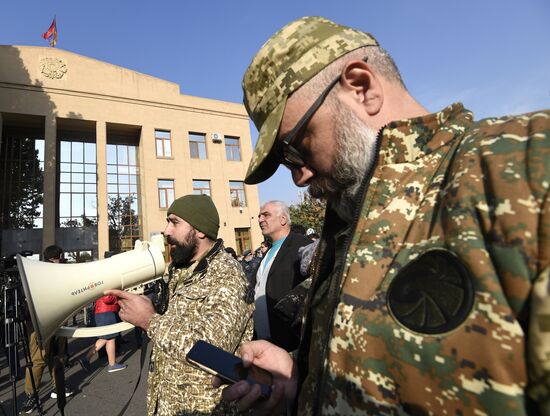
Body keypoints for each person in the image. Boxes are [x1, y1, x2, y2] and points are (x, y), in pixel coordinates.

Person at [215, 16, 550, 415]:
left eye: (295, 147)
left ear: (361, 88)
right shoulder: (346, 221)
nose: (299, 176)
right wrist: (302, 375)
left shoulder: (525, 163)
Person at [105, 194, 254, 415]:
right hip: (167, 404)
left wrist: (150, 321)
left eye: (174, 222)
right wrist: (148, 308)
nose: (166, 231)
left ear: (200, 229)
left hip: (203, 407)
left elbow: (213, 352)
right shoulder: (180, 269)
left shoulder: (228, 274)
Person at [21, 245, 74, 414]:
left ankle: (56, 387)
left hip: (55, 319)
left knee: (55, 356)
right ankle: (31, 394)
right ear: (58, 256)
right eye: (61, 258)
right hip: (39, 321)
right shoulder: (39, 274)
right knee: (39, 359)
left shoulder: (45, 271)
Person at [254, 201, 312, 351]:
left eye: (266, 215)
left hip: (290, 345)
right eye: (259, 216)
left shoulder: (302, 246)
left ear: (283, 219)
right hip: (264, 342)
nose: (260, 219)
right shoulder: (267, 253)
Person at [78, 295, 127, 373]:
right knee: (110, 338)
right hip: (107, 312)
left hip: (102, 312)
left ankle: (86, 359)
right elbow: (107, 298)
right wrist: (118, 297)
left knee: (105, 338)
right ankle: (112, 364)